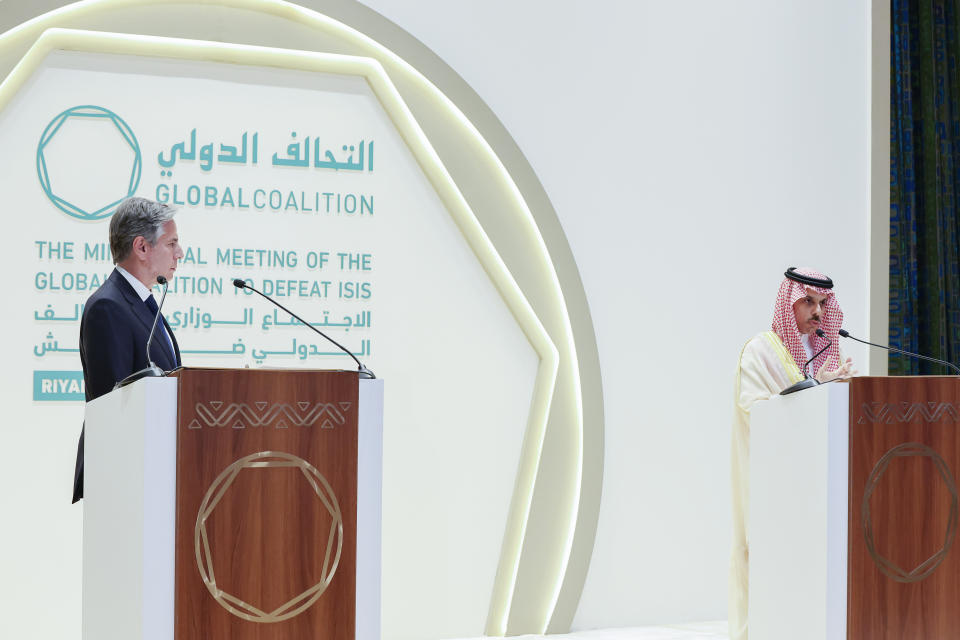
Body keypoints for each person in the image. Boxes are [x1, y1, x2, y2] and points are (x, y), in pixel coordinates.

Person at [728, 267, 854, 640]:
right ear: (790, 302)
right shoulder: (761, 350)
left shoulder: (827, 352)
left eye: (822, 304)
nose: (817, 312)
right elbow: (753, 407)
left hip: (820, 482)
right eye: (808, 302)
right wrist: (815, 388)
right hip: (773, 481)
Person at [71, 197, 185, 503]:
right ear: (142, 248)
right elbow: (112, 406)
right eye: (172, 243)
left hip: (151, 472)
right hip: (123, 478)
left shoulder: (144, 303)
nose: (180, 253)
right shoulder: (108, 306)